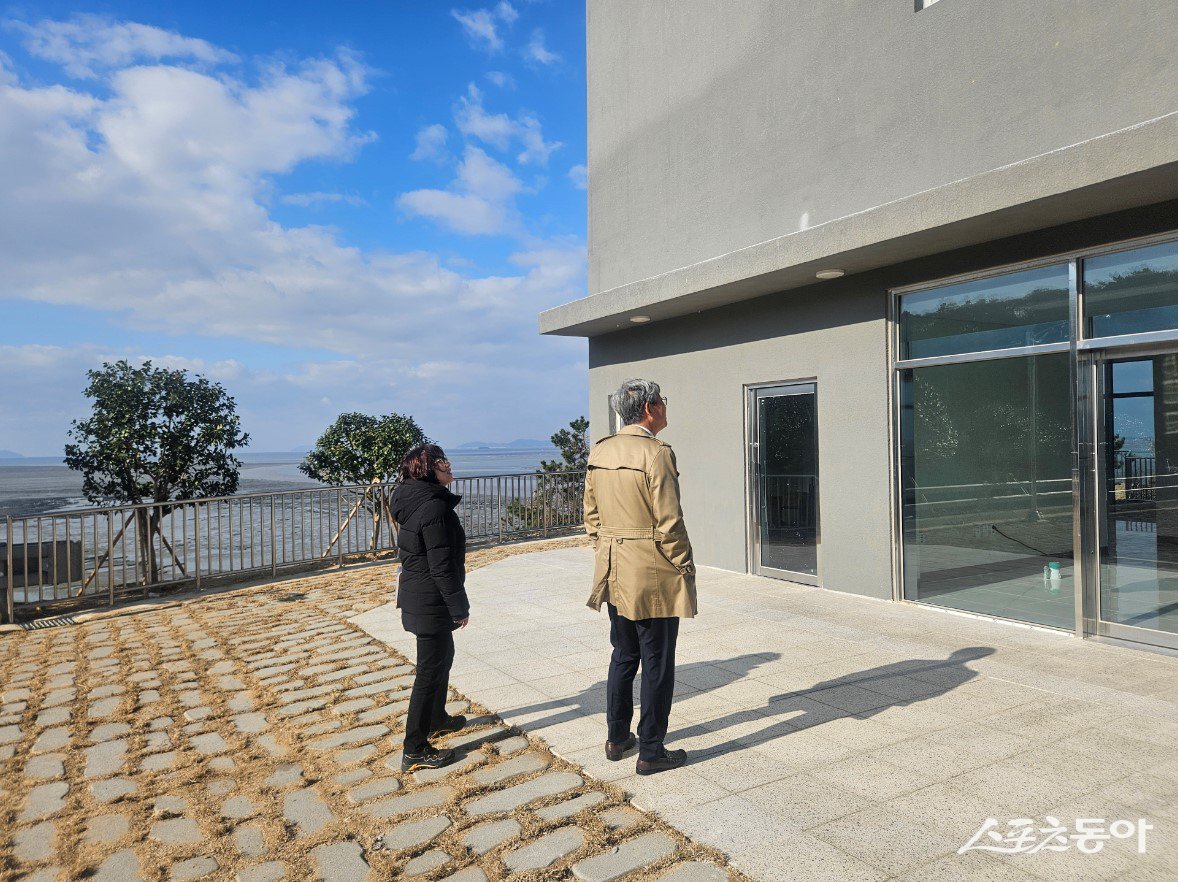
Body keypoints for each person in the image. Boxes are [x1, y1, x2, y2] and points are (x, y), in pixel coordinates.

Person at [584, 379, 697, 775]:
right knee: (657, 661)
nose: (665, 407)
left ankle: (617, 737)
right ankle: (651, 749)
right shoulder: (657, 453)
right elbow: (669, 520)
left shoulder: (601, 449)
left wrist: (610, 548)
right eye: (662, 401)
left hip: (614, 566)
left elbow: (592, 517)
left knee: (624, 653)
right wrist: (684, 564)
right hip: (651, 568)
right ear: (649, 408)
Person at [389, 443, 470, 771]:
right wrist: (459, 606)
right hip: (430, 600)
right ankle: (415, 746)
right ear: (426, 470)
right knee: (428, 671)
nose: (448, 465)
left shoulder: (413, 498)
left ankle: (436, 716)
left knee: (442, 659)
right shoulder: (434, 508)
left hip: (420, 597)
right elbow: (441, 566)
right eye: (441, 462)